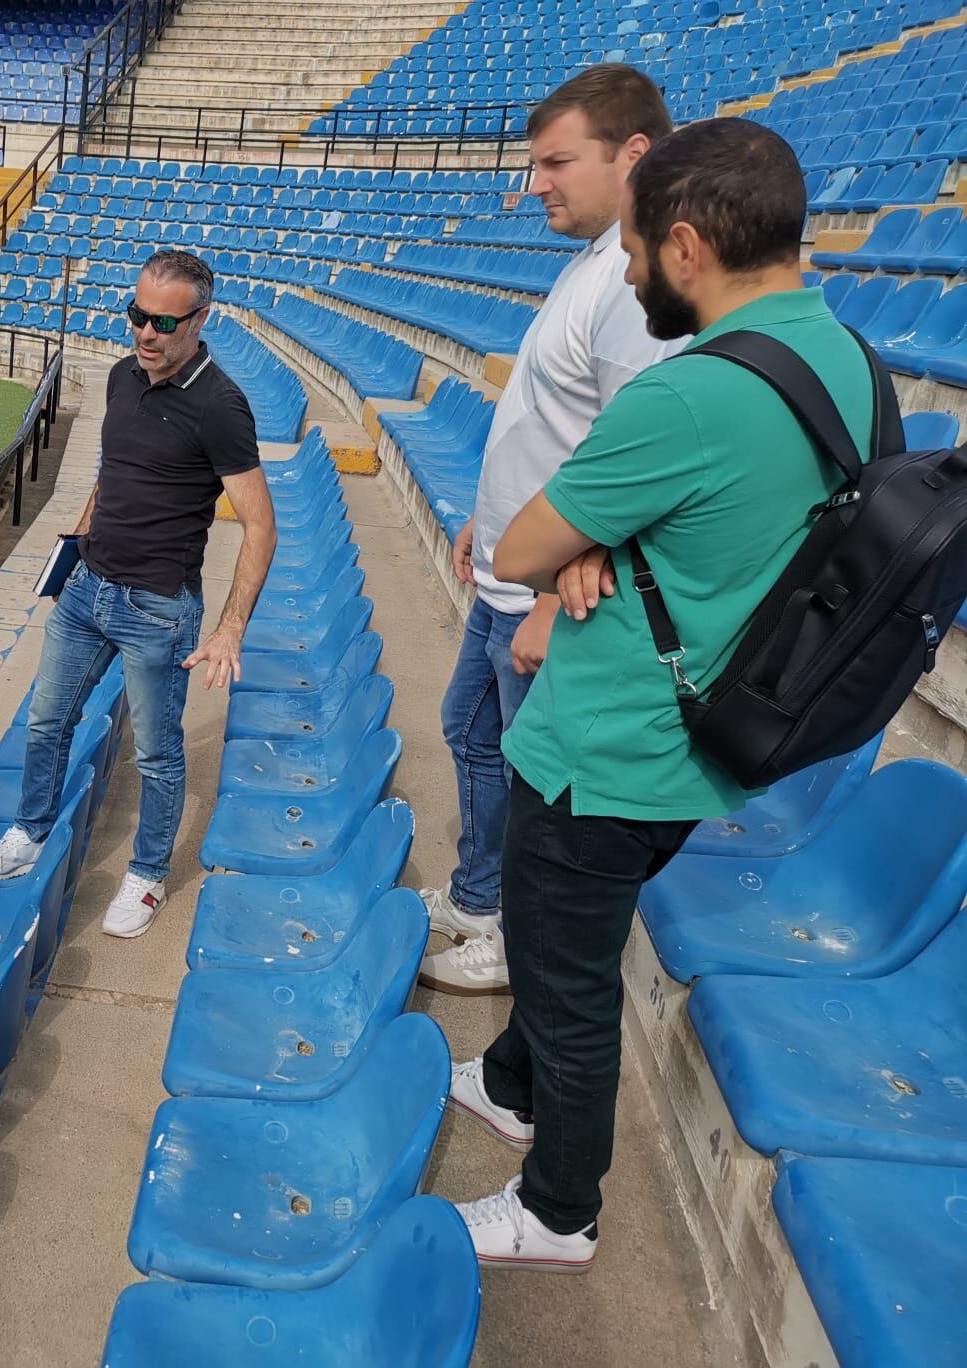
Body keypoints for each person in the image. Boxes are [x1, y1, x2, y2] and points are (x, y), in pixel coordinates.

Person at [448, 119, 877, 1272]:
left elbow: (526, 544)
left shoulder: (691, 395)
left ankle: (558, 1210)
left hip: (611, 745)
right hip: (711, 734)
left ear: (686, 247)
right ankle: (505, 1084)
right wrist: (617, 538)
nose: (628, 274)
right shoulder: (850, 361)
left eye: (638, 253)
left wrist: (585, 541)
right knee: (565, 954)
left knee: (566, 979)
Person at [421, 64, 678, 997]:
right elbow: (551, 427)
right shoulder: (595, 259)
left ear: (634, 155)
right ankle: (478, 896)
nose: (537, 183)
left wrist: (550, 603)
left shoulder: (632, 284)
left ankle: (508, 935)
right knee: (469, 732)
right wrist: (485, 530)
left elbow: (633, 457)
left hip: (549, 602)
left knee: (529, 781)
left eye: (557, 162)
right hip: (508, 574)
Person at [0, 249, 277, 938]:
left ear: (200, 320)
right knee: (45, 721)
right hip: (88, 593)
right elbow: (113, 476)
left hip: (157, 611)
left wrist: (228, 630)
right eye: (137, 315)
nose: (146, 332)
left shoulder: (222, 406)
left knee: (159, 756)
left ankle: (148, 874)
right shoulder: (119, 378)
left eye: (164, 322)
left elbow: (260, 526)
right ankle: (28, 833)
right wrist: (69, 552)